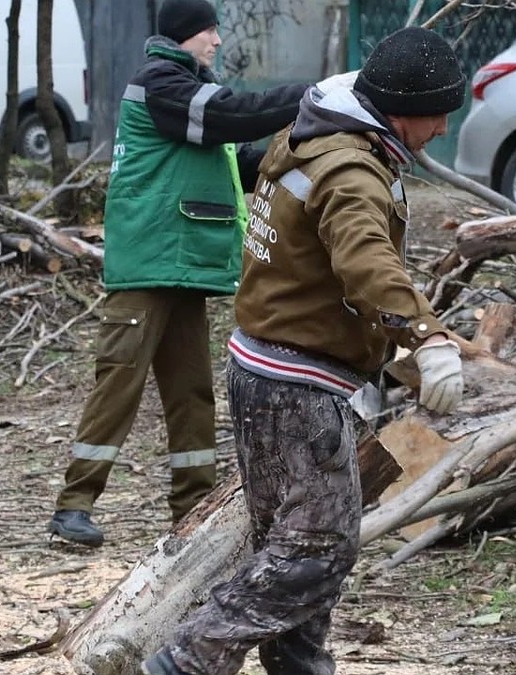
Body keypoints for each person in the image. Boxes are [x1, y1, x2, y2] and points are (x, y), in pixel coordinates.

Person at [141, 25, 468, 675]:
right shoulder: (350, 169)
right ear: (406, 110)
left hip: (265, 361)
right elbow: (367, 263)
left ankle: (298, 664)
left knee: (289, 540)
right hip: (299, 381)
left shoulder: (315, 128)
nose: (441, 131)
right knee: (318, 547)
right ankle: (189, 658)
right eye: (440, 116)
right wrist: (425, 336)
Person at [47, 0, 312, 548]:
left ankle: (192, 512)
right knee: (119, 381)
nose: (216, 41)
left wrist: (300, 147)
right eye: (208, 31)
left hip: (181, 263)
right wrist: (309, 96)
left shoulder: (189, 89)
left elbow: (232, 160)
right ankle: (73, 507)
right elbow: (227, 115)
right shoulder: (162, 83)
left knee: (192, 393)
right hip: (148, 261)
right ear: (184, 35)